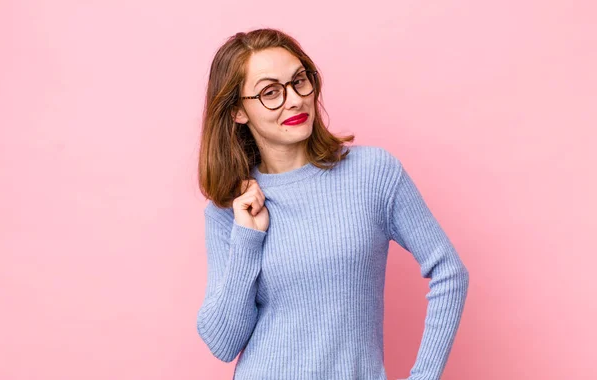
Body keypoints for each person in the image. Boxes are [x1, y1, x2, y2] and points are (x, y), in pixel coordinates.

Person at [196, 27, 469, 380]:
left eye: (299, 81)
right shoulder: (229, 208)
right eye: (270, 93)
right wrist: (247, 239)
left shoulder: (372, 173)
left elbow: (450, 272)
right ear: (238, 111)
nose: (294, 100)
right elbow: (222, 342)